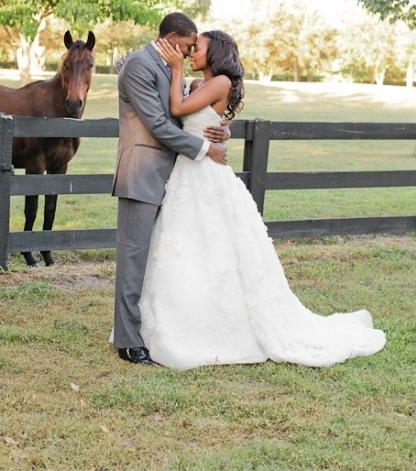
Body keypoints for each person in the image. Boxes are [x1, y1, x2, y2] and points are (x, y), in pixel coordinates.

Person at [139, 30, 386, 369]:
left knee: (213, 240)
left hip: (205, 171)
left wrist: (176, 68)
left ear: (215, 55)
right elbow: (192, 116)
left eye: (198, 49)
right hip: (189, 167)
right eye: (190, 49)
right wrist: (220, 126)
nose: (192, 53)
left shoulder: (221, 81)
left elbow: (178, 108)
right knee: (187, 242)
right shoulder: (200, 85)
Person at [111, 13, 231, 365]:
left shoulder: (169, 66)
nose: (190, 52)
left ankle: (153, 329)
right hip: (143, 172)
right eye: (188, 44)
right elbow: (159, 124)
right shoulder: (138, 66)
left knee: (161, 259)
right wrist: (207, 148)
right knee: (133, 259)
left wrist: (220, 130)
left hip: (176, 176)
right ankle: (128, 341)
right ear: (172, 37)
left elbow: (189, 115)